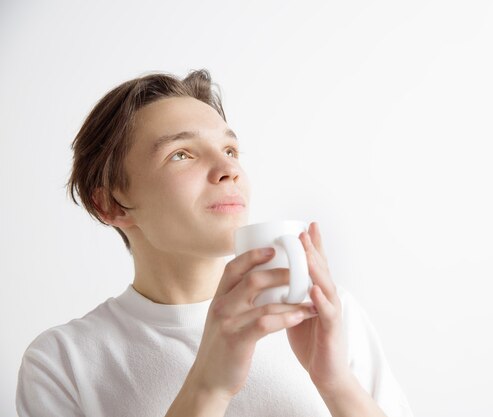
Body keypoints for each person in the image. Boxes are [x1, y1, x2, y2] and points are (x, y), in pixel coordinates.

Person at [16, 69, 414, 417]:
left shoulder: (329, 316)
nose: (229, 170)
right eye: (182, 154)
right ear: (111, 204)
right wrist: (209, 386)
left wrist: (336, 383)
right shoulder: (62, 363)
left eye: (230, 149)